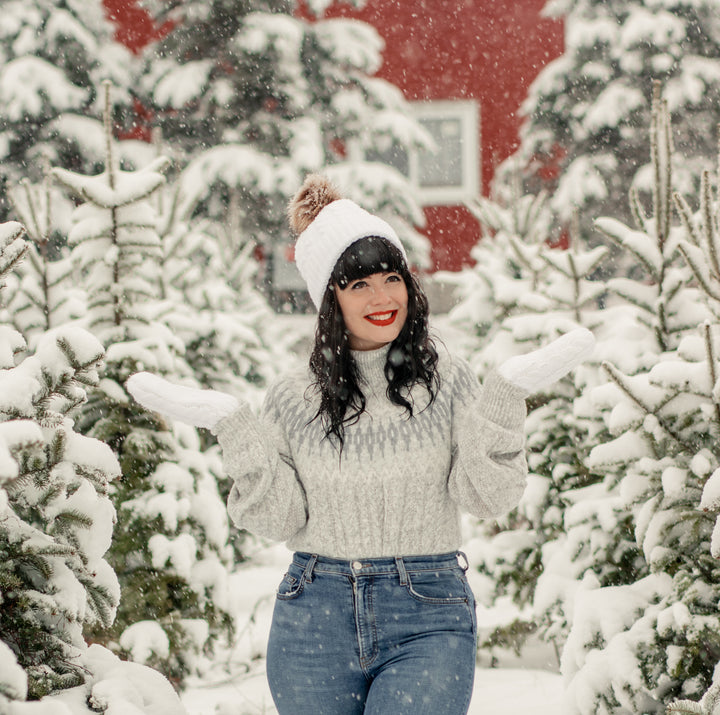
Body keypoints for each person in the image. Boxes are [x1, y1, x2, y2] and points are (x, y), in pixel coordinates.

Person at [128, 174, 595, 714]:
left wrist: (502, 401)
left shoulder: (447, 381)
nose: (383, 298)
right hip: (313, 614)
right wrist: (235, 426)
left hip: (427, 610)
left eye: (391, 277)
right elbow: (279, 519)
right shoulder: (293, 396)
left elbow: (486, 498)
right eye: (359, 286)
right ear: (331, 299)